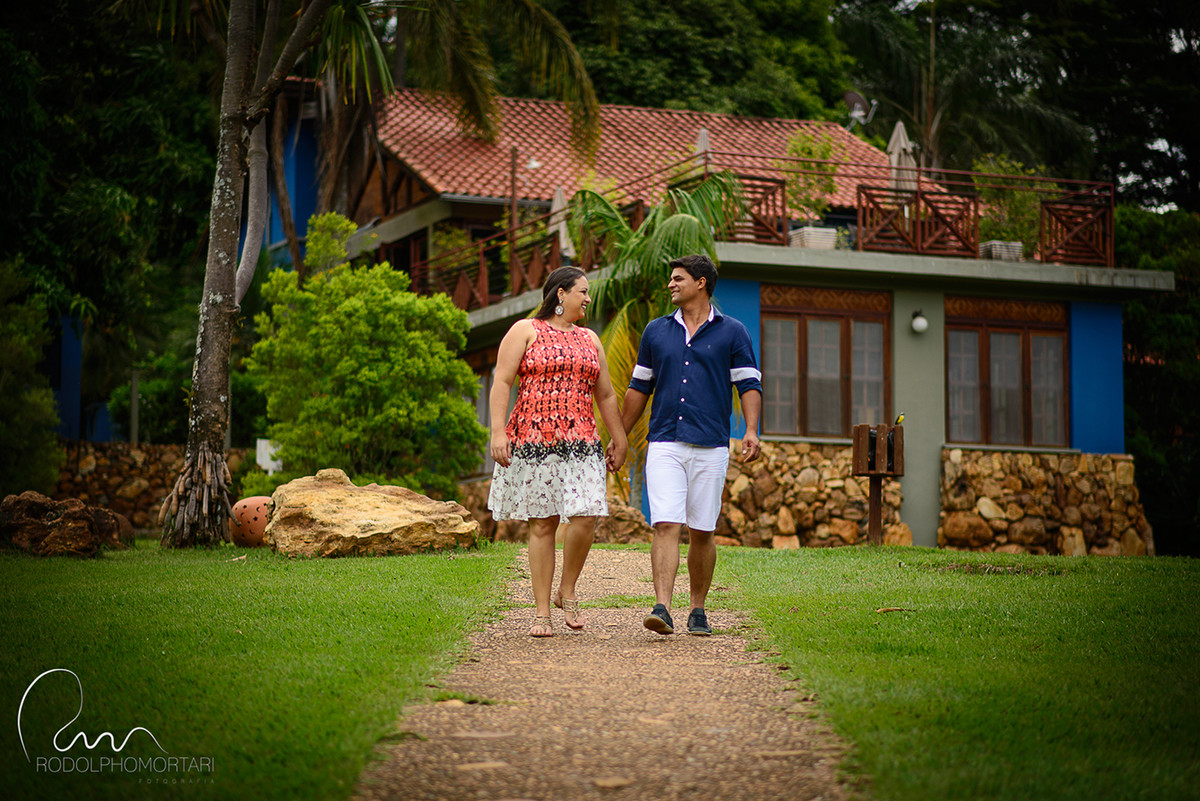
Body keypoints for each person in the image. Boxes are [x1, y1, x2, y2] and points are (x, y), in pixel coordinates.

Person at [613, 254, 762, 636]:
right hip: (664, 441)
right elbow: (639, 388)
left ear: (701, 283)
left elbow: (748, 384)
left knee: (702, 530)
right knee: (665, 523)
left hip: (711, 445)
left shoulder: (733, 332)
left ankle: (698, 609)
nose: (670, 284)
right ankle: (662, 607)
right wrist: (620, 436)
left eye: (678, 278)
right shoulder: (656, 332)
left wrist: (751, 430)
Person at [488, 267, 628, 637]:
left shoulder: (590, 338)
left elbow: (606, 394)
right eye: (583, 291)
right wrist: (498, 432)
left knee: (587, 515)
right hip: (534, 441)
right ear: (561, 294)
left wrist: (619, 438)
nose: (588, 299)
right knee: (543, 523)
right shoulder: (525, 330)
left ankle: (567, 589)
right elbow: (502, 380)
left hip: (582, 441)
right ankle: (541, 613)